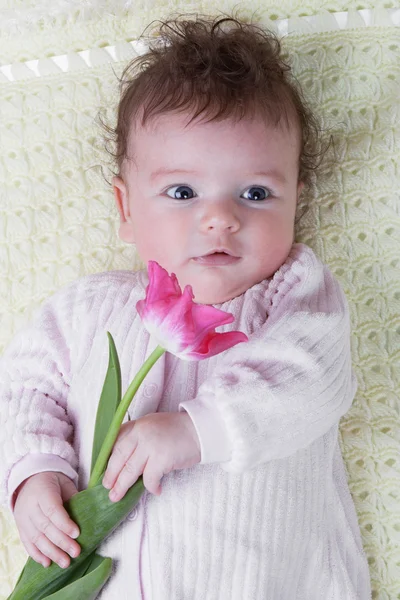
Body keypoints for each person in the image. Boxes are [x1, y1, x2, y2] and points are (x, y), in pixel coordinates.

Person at [0, 14, 371, 599]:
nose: (220, 217)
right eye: (182, 192)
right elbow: (22, 390)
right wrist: (34, 473)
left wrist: (197, 430)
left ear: (297, 201)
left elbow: (312, 381)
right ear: (125, 209)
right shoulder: (86, 311)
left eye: (255, 193)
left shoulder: (294, 296)